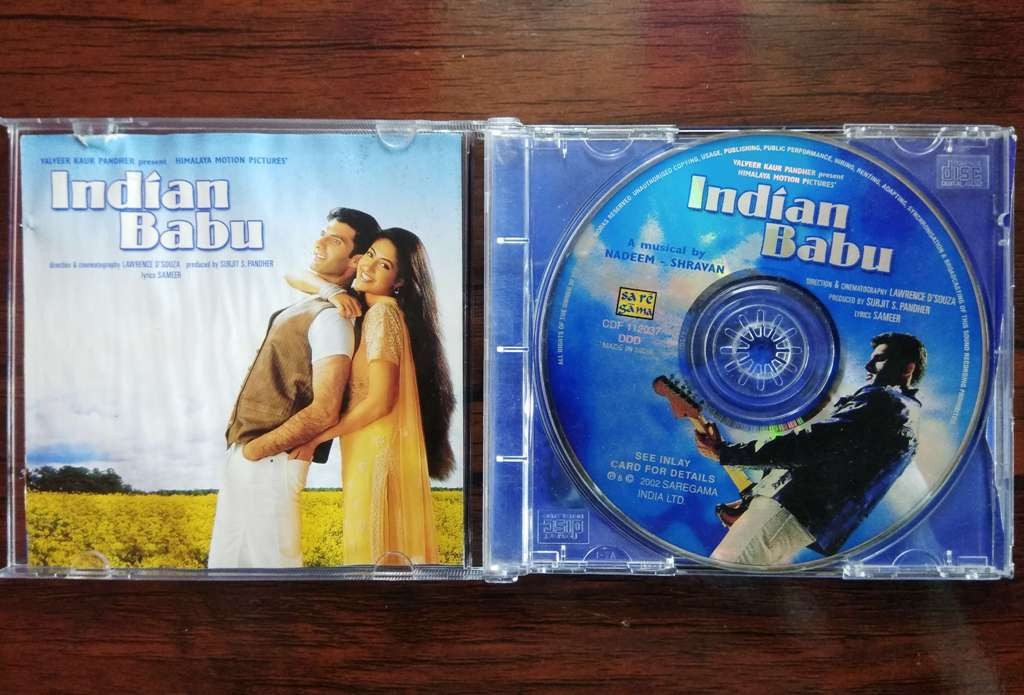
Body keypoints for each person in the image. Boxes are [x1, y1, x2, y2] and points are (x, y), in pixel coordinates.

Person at [207, 207, 381, 569]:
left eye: (335, 240)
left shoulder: (333, 319)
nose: (320, 242)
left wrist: (255, 451)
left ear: (356, 259)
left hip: (269, 459)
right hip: (254, 457)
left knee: (271, 572)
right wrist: (330, 289)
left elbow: (325, 409)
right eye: (322, 232)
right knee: (228, 570)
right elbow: (293, 274)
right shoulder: (321, 301)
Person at [290, 227, 455, 565]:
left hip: (376, 453)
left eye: (384, 265)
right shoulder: (374, 311)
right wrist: (331, 291)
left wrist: (317, 436)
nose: (369, 266)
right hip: (367, 448)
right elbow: (293, 275)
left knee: (374, 549)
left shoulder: (381, 316)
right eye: (370, 255)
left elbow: (380, 401)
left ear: (400, 281)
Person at [692, 332, 926, 566]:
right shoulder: (907, 419)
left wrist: (726, 453)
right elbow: (833, 466)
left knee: (723, 572)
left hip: (787, 511)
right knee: (736, 577)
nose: (868, 366)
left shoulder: (884, 401)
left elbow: (809, 444)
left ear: (907, 369)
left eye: (879, 359)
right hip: (803, 521)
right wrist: (752, 498)